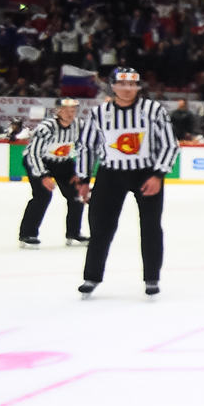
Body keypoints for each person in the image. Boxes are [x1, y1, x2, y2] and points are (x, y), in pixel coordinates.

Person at [78, 68, 178, 298]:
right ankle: (91, 276)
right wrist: (83, 178)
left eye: (132, 85)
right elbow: (86, 146)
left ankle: (152, 277)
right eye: (122, 84)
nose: (127, 89)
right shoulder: (99, 113)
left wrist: (158, 175)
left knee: (150, 226)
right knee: (101, 227)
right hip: (110, 174)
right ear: (113, 86)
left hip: (146, 173)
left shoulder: (153, 110)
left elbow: (170, 145)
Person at [19, 101, 89, 248]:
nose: (71, 114)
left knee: (76, 194)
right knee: (42, 196)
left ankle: (73, 233)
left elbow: (84, 148)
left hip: (63, 161)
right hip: (39, 161)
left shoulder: (78, 125)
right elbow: (33, 153)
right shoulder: (46, 128)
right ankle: (27, 234)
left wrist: (79, 173)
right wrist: (43, 176)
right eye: (67, 110)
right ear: (58, 111)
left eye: (73, 110)